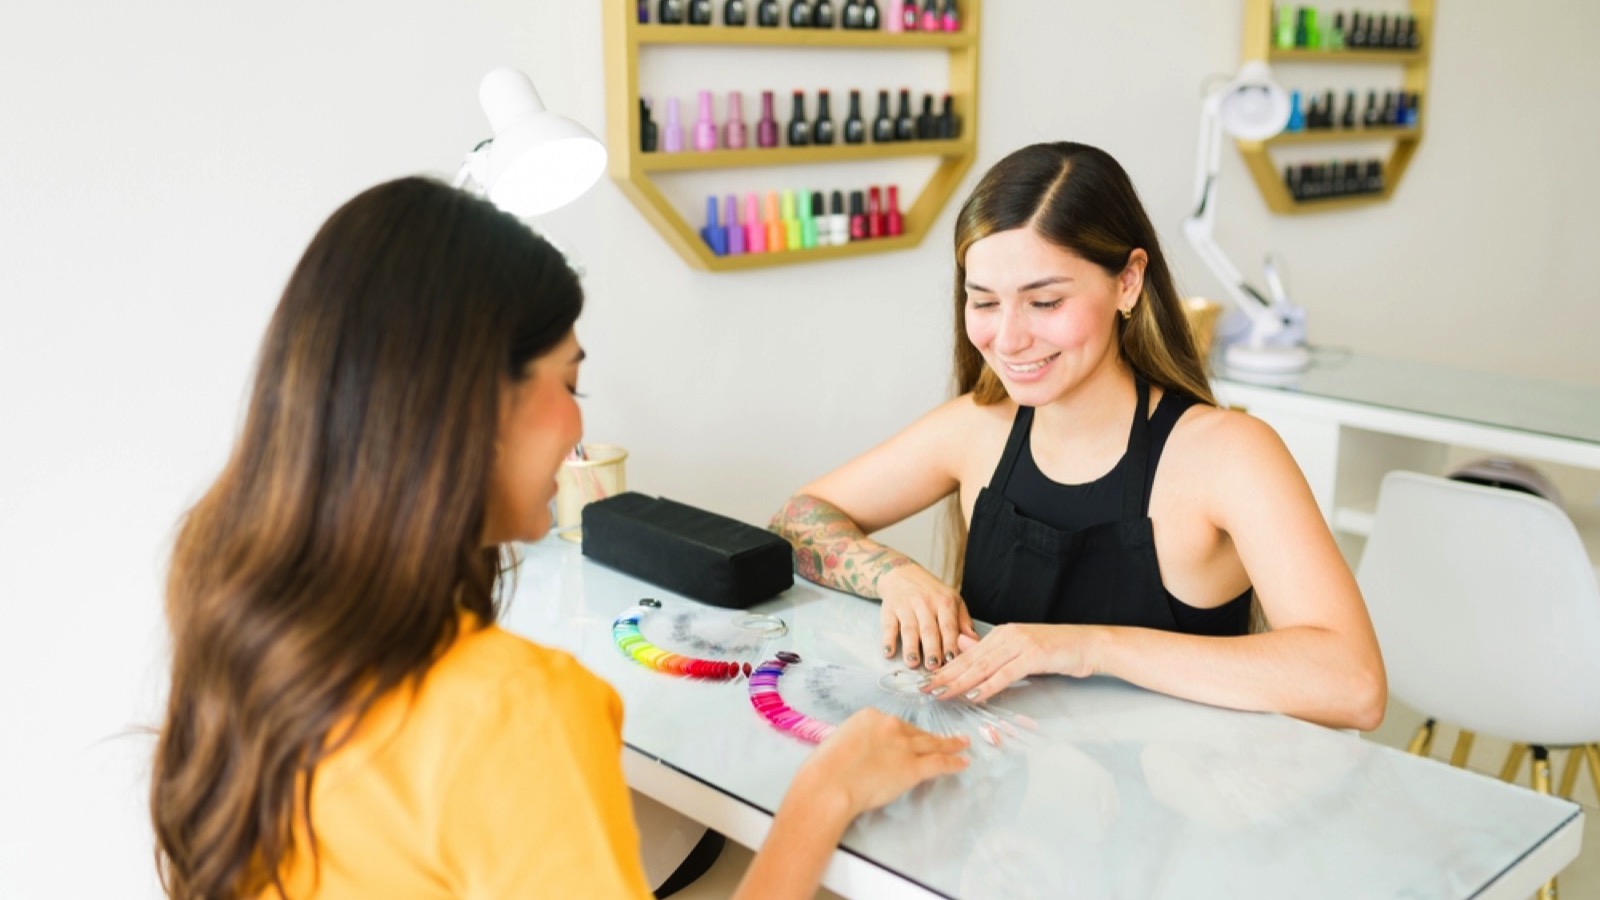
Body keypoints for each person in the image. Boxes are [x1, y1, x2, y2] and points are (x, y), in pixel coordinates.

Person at [150, 177, 969, 900]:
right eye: (568, 382)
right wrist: (823, 796)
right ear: (469, 402)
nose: (580, 424)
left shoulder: (232, 604)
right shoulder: (516, 708)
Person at [769, 142, 1386, 731]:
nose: (1008, 340)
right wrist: (894, 575)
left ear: (1128, 282)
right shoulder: (975, 428)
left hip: (1174, 817)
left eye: (1045, 302)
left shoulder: (1226, 454)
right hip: (997, 798)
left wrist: (1088, 647)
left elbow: (1353, 684)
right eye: (983, 302)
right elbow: (796, 518)